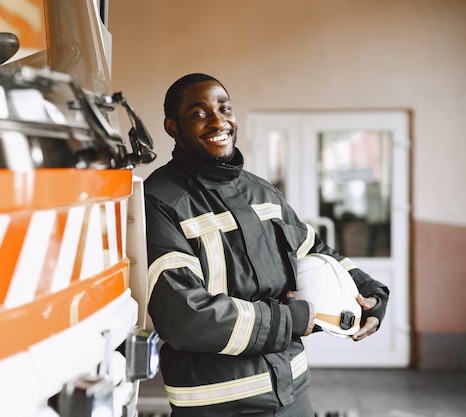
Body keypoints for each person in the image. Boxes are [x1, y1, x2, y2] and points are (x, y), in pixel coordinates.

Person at [144, 73, 389, 417]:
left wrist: (370, 291)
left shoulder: (261, 192)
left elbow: (313, 251)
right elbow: (185, 316)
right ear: (173, 127)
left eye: (224, 108)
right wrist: (290, 320)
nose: (218, 120)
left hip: (294, 393)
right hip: (220, 404)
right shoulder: (159, 200)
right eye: (199, 114)